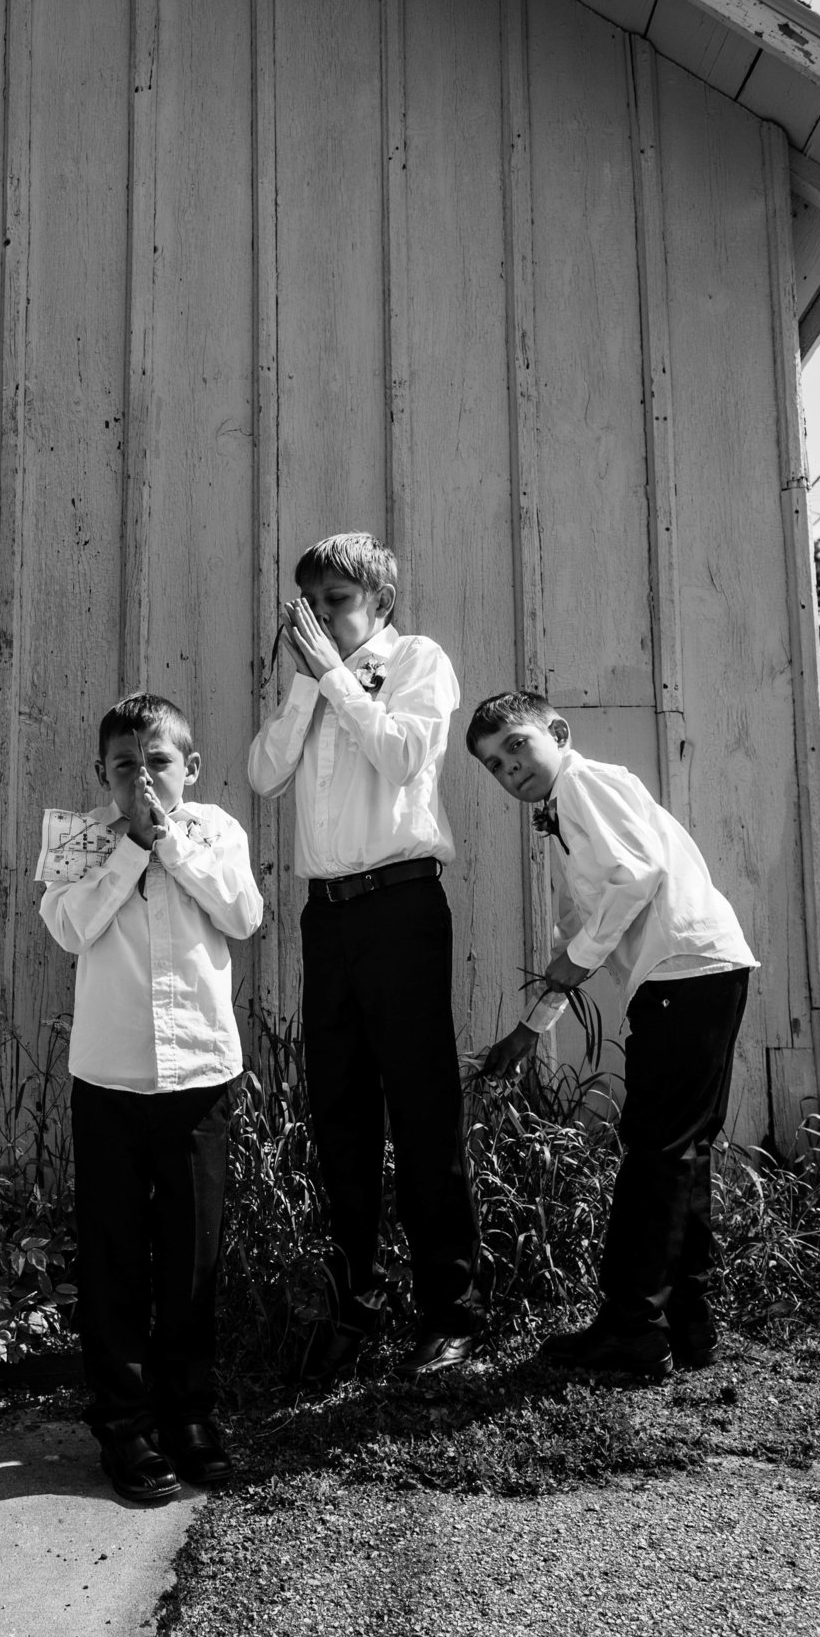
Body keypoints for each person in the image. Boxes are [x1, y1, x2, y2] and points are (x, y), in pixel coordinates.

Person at [467, 689, 758, 1379]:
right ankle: (686, 1325)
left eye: (517, 746)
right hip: (691, 972)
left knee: (658, 1152)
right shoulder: (568, 814)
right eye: (494, 766)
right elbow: (580, 928)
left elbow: (640, 874)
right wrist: (528, 1030)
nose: (511, 768)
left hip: (686, 971)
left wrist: (578, 957)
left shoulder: (586, 782)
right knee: (676, 1152)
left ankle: (634, 1331)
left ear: (558, 733)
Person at [248, 532, 482, 1382]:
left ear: (379, 601)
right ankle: (355, 1306)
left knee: (422, 1111)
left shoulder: (419, 659)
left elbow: (403, 753)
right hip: (329, 917)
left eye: (336, 601)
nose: (319, 617)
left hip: (402, 906)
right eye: (306, 602)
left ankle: (452, 1313)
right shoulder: (311, 682)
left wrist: (336, 679)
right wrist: (307, 687)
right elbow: (264, 772)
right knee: (341, 1112)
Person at [39, 692, 263, 1504]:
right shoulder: (76, 837)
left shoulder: (219, 831)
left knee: (193, 1252)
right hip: (111, 1076)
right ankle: (123, 1424)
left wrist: (173, 848)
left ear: (189, 768)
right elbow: (69, 929)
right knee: (113, 1256)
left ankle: (190, 1413)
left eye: (158, 763)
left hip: (200, 1074)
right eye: (125, 766)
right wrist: (130, 851)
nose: (143, 779)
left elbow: (243, 914)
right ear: (103, 774)